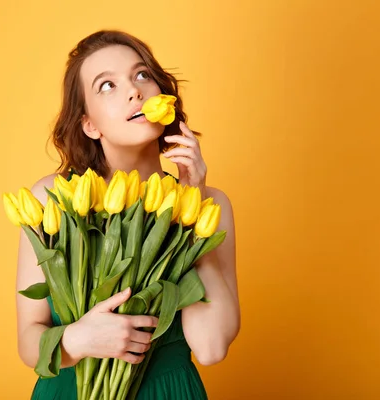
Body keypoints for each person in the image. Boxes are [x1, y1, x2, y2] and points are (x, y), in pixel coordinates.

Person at [15, 30, 240, 399]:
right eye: (107, 85)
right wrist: (79, 339)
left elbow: (212, 347)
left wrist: (192, 205)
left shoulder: (210, 203)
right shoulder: (53, 199)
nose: (135, 91)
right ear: (89, 124)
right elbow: (28, 341)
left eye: (142, 76)